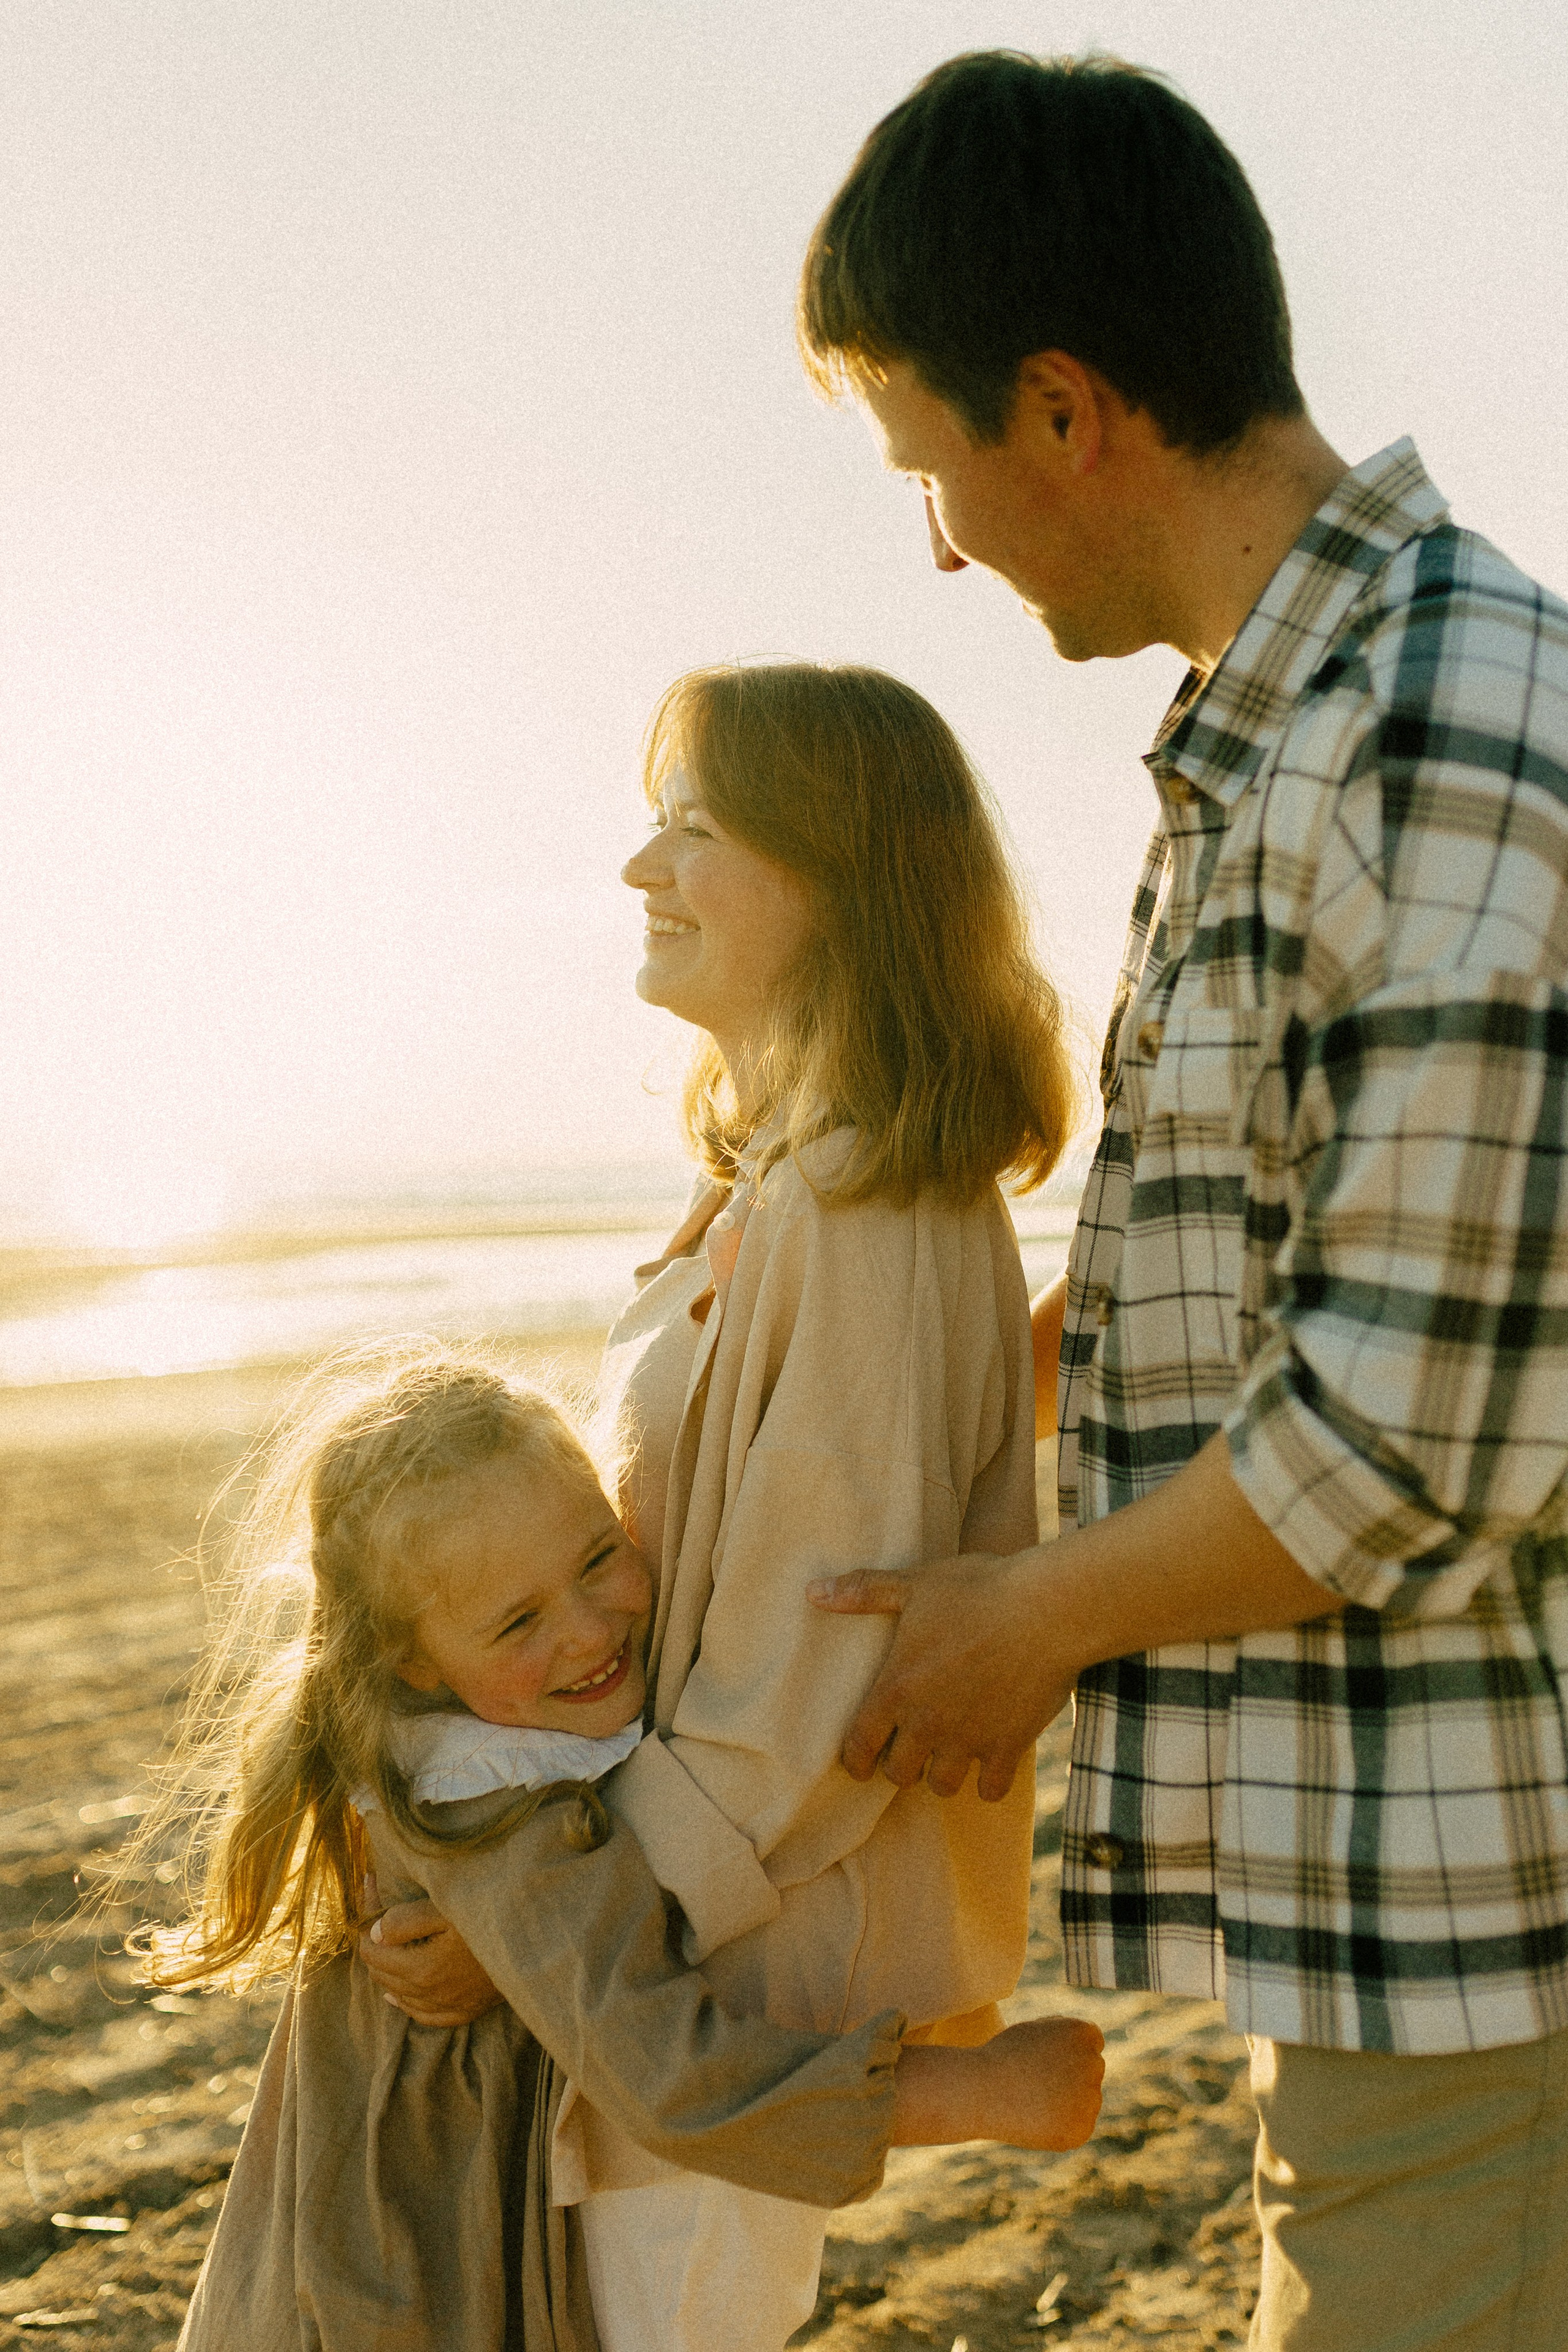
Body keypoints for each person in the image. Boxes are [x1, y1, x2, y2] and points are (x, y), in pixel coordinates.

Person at [793, 48, 1568, 2352]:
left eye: (929, 470)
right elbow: (1241, 1274)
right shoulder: (1293, 723)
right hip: (1402, 1928)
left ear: (1063, 410)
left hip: (1491, 1941)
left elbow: (1400, 1437)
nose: (942, 548)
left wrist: (1026, 1621)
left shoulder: (1431, 717)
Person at [361, 660, 1085, 2349]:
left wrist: (547, 1927)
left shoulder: (869, 1206)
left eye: (693, 829)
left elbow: (810, 1681)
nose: (641, 870)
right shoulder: (777, 1178)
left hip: (720, 1975)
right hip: (677, 1963)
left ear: (840, 876)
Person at [118, 1344, 1103, 2351]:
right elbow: (669, 2076)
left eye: (598, 1559)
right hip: (408, 2280)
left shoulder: (454, 1735)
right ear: (413, 1659)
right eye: (520, 1621)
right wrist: (979, 2094)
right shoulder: (490, 1805)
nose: (589, 1632)